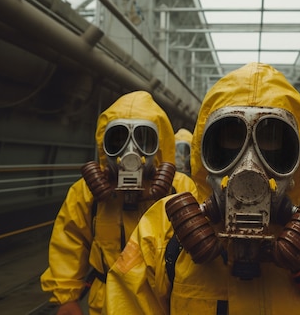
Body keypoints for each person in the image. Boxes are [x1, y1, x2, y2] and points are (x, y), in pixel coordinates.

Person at [103, 63, 300, 314]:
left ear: (298, 156)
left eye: (271, 142)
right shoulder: (160, 231)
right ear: (203, 152)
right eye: (231, 142)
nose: (250, 167)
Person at [40, 91, 197, 315]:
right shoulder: (86, 193)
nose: (130, 151)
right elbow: (69, 240)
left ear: (160, 143)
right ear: (104, 145)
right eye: (118, 140)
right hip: (105, 304)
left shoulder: (180, 189)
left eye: (144, 140)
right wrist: (67, 298)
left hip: (163, 302)